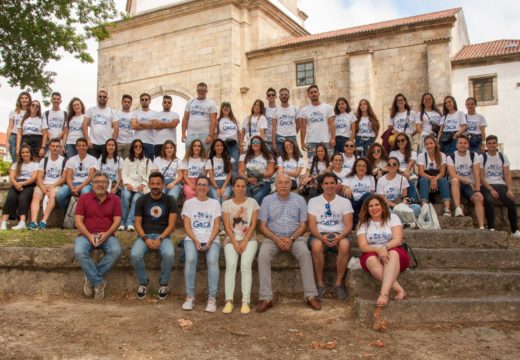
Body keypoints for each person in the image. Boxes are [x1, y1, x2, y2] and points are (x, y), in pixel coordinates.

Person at [256, 173, 321, 312]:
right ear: (276, 184)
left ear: (291, 185)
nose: (284, 185)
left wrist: (291, 239)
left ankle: (311, 295)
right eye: (280, 182)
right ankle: (266, 298)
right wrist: (277, 239)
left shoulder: (300, 200)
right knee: (263, 256)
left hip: (295, 238)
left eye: (287, 182)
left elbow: (304, 225)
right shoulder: (267, 200)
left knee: (304, 253)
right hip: (273, 238)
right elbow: (262, 226)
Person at [74, 171, 122, 300]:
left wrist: (106, 235)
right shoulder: (84, 198)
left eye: (103, 182)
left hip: (107, 235)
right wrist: (89, 236)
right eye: (97, 182)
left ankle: (91, 278)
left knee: (116, 251)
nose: (100, 185)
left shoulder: (115, 199)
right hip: (86, 234)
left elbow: (117, 220)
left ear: (108, 184)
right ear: (92, 184)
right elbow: (78, 221)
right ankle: (99, 282)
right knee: (79, 251)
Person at [130, 172, 177, 300]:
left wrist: (160, 238)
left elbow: (172, 224)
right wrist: (145, 238)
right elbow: (137, 223)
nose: (155, 186)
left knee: (169, 254)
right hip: (145, 235)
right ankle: (144, 282)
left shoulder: (170, 200)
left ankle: (164, 283)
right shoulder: (142, 199)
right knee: (135, 254)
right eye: (153, 184)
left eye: (158, 184)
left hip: (163, 235)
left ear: (163, 185)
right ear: (149, 184)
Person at [357, 194, 409, 307]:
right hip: (372, 253)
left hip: (394, 251)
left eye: (377, 205)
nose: (374, 208)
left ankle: (384, 293)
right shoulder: (364, 223)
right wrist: (378, 249)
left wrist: (385, 248)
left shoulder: (393, 218)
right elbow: (363, 246)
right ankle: (399, 289)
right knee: (370, 259)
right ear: (367, 209)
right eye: (371, 206)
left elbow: (397, 239)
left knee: (393, 253)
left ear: (382, 206)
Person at [308, 172, 353, 301]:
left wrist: (339, 237)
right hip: (319, 235)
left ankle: (339, 283)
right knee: (316, 246)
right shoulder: (314, 201)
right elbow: (312, 225)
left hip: (339, 234)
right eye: (326, 183)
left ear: (336, 184)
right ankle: (320, 284)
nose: (329, 186)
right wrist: (323, 238)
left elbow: (348, 225)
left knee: (345, 244)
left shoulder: (344, 202)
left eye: (332, 183)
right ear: (322, 185)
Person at [181, 175, 222, 312]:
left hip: (211, 238)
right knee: (191, 259)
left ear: (208, 187)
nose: (202, 187)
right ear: (196, 186)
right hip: (193, 238)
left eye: (205, 185)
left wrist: (209, 241)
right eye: (199, 184)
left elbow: (217, 226)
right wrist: (196, 240)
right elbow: (187, 226)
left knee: (212, 260)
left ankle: (212, 299)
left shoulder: (215, 203)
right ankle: (190, 297)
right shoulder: (189, 203)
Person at [221, 176, 260, 314]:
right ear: (233, 187)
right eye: (238, 186)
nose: (240, 189)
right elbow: (227, 226)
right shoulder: (226, 204)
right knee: (231, 266)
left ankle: (245, 302)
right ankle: (229, 301)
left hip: (249, 239)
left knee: (245, 266)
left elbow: (253, 224)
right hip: (231, 239)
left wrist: (243, 241)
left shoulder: (253, 203)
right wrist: (234, 241)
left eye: (243, 186)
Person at [480, 135, 519, 237]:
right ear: (486, 145)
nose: (491, 145)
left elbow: (507, 174)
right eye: (489, 143)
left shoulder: (502, 156)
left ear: (497, 144)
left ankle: (514, 230)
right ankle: (491, 227)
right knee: (489, 201)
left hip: (500, 184)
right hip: (487, 185)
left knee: (511, 202)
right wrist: (491, 189)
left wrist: (510, 189)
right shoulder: (482, 157)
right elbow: (481, 177)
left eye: (493, 143)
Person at [447, 135, 485, 228]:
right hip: (457, 184)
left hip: (470, 185)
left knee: (478, 199)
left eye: (465, 143)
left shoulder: (473, 155)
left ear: (468, 145)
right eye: (460, 143)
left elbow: (476, 173)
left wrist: (477, 190)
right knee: (455, 180)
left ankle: (481, 226)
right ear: (456, 145)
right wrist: (468, 182)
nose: (463, 145)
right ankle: (458, 208)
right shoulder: (451, 156)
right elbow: (453, 175)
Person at [27, 138, 66, 230]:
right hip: (43, 184)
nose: (55, 148)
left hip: (56, 185)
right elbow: (39, 177)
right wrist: (43, 188)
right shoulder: (44, 160)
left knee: (52, 195)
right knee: (36, 195)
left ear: (60, 148)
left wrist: (51, 187)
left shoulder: (64, 161)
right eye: (53, 146)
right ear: (49, 147)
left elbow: (63, 178)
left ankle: (43, 221)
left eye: (57, 146)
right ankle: (33, 222)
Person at [0, 144, 38, 230]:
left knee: (22, 198)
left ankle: (22, 222)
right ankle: (3, 222)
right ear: (20, 154)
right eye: (23, 152)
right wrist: (16, 184)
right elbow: (11, 177)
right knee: (10, 198)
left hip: (28, 184)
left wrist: (23, 184)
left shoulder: (35, 164)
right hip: (16, 183)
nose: (25, 154)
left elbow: (34, 178)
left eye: (27, 152)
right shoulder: (16, 164)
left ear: (30, 153)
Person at [56, 138, 97, 211]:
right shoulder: (71, 159)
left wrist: (79, 187)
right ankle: (67, 213)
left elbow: (91, 177)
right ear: (76, 147)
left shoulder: (93, 159)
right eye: (79, 145)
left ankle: (81, 214)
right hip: (73, 184)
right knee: (59, 194)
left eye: (83, 145)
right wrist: (72, 187)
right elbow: (68, 177)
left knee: (85, 192)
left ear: (87, 147)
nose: (81, 147)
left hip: (87, 184)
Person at [417, 135, 451, 216]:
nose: (429, 146)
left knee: (443, 180)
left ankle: (447, 208)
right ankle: (424, 207)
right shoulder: (421, 156)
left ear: (435, 144)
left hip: (438, 178)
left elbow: (442, 172)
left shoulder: (442, 155)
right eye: (427, 144)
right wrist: (432, 179)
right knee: (424, 180)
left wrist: (435, 179)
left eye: (431, 143)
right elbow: (421, 172)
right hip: (426, 178)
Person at [121, 139, 151, 231]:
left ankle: (130, 222)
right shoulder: (127, 160)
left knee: (136, 199)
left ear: (142, 148)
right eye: (136, 146)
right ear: (132, 148)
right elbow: (124, 174)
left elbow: (149, 175)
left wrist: (143, 184)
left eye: (140, 146)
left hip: (141, 187)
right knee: (125, 195)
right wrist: (126, 183)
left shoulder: (147, 161)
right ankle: (122, 222)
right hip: (129, 185)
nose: (138, 148)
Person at [299, 84, 335, 158]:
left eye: (315, 92)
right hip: (311, 142)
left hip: (326, 140)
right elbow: (303, 127)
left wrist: (333, 138)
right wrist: (302, 142)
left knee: (328, 163)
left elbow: (331, 124)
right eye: (311, 93)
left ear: (319, 93)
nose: (313, 94)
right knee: (312, 164)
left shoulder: (328, 108)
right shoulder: (304, 110)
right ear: (308, 95)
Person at [238, 136, 275, 205]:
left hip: (264, 182)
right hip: (247, 182)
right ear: (251, 144)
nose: (255, 144)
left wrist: (258, 176)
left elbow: (270, 171)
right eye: (253, 142)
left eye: (257, 142)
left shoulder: (268, 156)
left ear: (261, 144)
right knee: (246, 199)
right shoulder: (244, 156)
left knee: (256, 198)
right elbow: (240, 171)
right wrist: (248, 179)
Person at [181, 82, 218, 150]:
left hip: (205, 134)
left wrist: (210, 136)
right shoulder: (190, 102)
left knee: (204, 158)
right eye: (199, 90)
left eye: (203, 90)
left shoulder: (211, 103)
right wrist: (183, 134)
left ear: (206, 91)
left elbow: (214, 120)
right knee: (189, 157)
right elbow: (185, 118)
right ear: (196, 91)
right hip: (191, 134)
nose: (201, 92)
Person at [83, 89, 117, 158]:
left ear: (107, 99)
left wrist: (114, 142)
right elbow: (84, 124)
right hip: (93, 144)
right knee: (93, 166)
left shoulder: (112, 111)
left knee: (105, 165)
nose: (102, 98)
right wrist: (87, 139)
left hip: (107, 144)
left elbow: (116, 127)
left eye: (104, 97)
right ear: (97, 98)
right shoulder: (91, 110)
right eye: (100, 96)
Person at [344, 158, 376, 225]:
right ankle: (351, 221)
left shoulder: (370, 177)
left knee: (368, 195)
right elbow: (343, 187)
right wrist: (346, 188)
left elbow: (372, 192)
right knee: (346, 194)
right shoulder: (349, 177)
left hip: (363, 202)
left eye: (364, 166)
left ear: (367, 168)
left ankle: (360, 221)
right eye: (359, 166)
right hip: (351, 201)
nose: (361, 168)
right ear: (355, 167)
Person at [389, 132, 418, 203]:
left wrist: (406, 173)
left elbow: (411, 164)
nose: (400, 142)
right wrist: (402, 174)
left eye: (402, 140)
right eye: (398, 141)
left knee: (406, 179)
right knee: (405, 179)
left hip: (409, 174)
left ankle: (412, 201)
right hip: (396, 174)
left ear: (407, 141)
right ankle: (413, 201)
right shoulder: (393, 153)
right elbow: (392, 165)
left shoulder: (413, 153)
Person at [215, 101, 240, 173]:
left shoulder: (235, 120)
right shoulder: (218, 121)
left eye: (227, 106)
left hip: (234, 145)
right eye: (224, 106)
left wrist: (240, 145)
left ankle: (234, 183)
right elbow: (216, 134)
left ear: (230, 108)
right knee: (224, 165)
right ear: (221, 109)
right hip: (222, 146)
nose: (226, 108)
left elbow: (239, 133)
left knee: (234, 165)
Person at [273, 87, 299, 156]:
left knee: (295, 157)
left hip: (292, 137)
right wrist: (274, 143)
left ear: (289, 96)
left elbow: (298, 124)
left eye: (286, 94)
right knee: (281, 158)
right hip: (279, 137)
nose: (284, 96)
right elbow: (273, 128)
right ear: (279, 97)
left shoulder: (295, 108)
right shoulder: (275, 110)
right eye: (282, 94)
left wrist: (292, 132)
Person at [6, 91, 31, 162]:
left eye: (26, 98)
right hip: (14, 136)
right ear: (19, 100)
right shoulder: (13, 112)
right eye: (22, 98)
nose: (24, 100)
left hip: (25, 137)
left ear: (29, 100)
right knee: (15, 159)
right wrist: (7, 142)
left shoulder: (31, 113)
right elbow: (10, 127)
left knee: (25, 159)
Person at [206, 139, 233, 203]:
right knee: (217, 200)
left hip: (226, 183)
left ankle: (223, 213)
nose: (219, 147)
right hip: (214, 184)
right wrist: (217, 188)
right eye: (217, 146)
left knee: (224, 199)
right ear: (214, 148)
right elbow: (211, 177)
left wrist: (223, 187)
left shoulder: (229, 159)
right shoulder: (210, 160)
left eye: (221, 145)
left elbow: (230, 173)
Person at [130, 93, 156, 160]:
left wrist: (140, 122)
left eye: (146, 99)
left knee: (149, 166)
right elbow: (133, 126)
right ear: (140, 101)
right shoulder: (135, 113)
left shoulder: (154, 113)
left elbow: (154, 125)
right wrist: (148, 124)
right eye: (142, 99)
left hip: (150, 143)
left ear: (150, 101)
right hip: (137, 143)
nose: (144, 101)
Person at [115, 94, 134, 159]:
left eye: (129, 102)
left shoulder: (133, 114)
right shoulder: (116, 113)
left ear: (131, 104)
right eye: (125, 101)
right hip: (118, 142)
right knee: (117, 163)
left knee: (127, 164)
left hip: (129, 142)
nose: (126, 103)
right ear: (122, 102)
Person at [264, 88, 278, 152]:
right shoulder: (264, 110)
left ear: (276, 97)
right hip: (266, 141)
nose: (271, 96)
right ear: (267, 97)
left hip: (277, 140)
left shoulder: (279, 110)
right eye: (269, 95)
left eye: (273, 94)